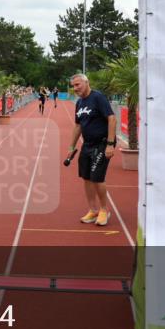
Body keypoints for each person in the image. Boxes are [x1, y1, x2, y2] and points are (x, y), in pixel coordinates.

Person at [68, 73, 117, 226]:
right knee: (87, 177)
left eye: (77, 85)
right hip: (87, 144)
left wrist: (110, 144)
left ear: (86, 82)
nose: (75, 88)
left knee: (97, 177)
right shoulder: (79, 103)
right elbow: (77, 126)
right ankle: (93, 210)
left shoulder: (98, 97)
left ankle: (104, 210)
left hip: (102, 144)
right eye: (73, 86)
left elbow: (112, 118)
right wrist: (71, 146)